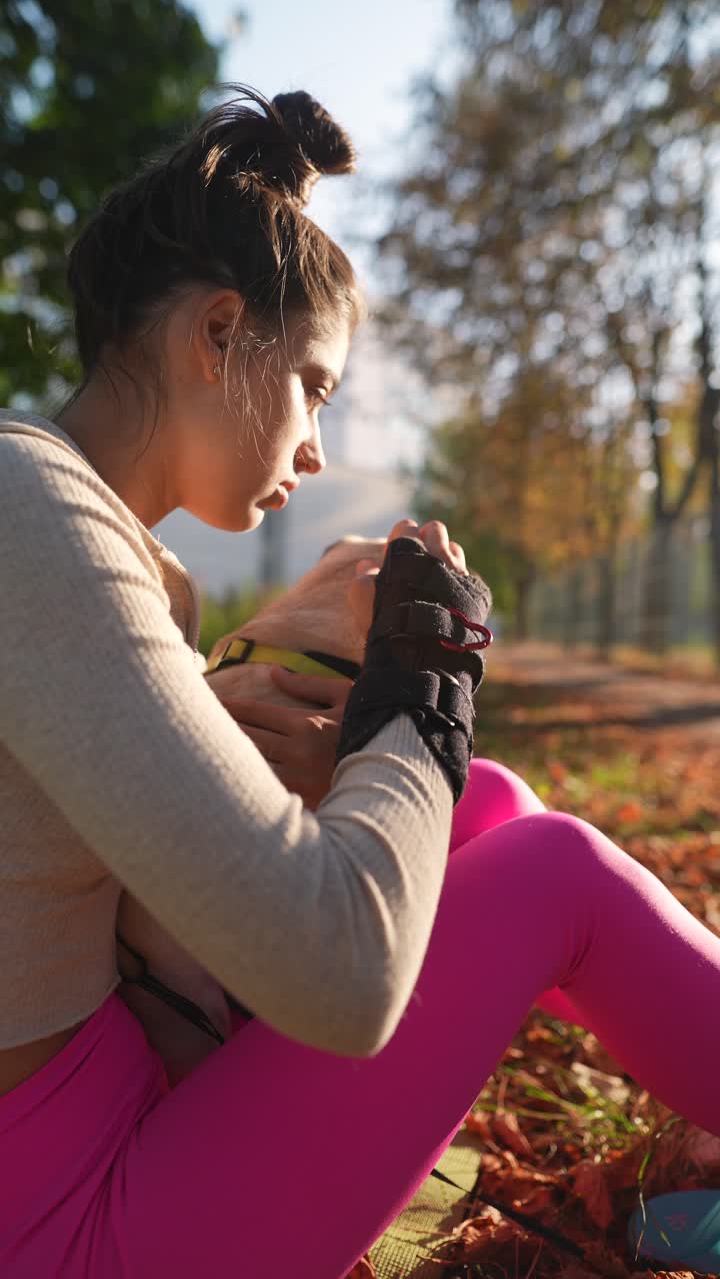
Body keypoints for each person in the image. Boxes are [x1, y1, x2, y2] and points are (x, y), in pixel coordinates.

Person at [0, 86, 718, 1279]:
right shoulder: (36, 518)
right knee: (553, 874)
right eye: (317, 387)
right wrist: (419, 690)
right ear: (220, 333)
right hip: (56, 1213)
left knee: (487, 805)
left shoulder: (111, 547)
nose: (318, 448)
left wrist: (238, 679)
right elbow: (340, 973)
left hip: (100, 1102)